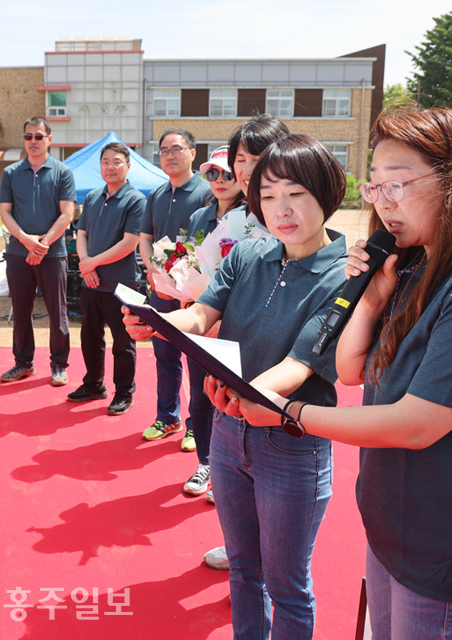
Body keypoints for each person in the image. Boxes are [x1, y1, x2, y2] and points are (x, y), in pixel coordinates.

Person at [230, 108, 452, 640]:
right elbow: (352, 370)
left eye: (397, 185)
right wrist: (372, 295)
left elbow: (414, 425)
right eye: (374, 186)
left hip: (448, 545)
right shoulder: (414, 265)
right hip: (393, 528)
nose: (382, 202)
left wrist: (288, 413)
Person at [125, 134, 349, 639]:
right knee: (245, 569)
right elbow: (203, 311)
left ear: (327, 193)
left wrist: (249, 396)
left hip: (291, 445)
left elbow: (303, 361)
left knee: (288, 584)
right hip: (228, 435)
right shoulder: (249, 253)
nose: (281, 210)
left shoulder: (346, 274)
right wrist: (159, 324)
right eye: (267, 196)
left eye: (295, 194)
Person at [201, 114, 290, 571]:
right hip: (227, 360)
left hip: (282, 389)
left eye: (259, 158)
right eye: (241, 159)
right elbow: (206, 298)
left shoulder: (294, 224)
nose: (248, 168)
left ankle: (266, 562)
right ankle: (240, 550)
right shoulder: (235, 222)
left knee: (282, 534)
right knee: (232, 467)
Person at [138, 129, 211, 447]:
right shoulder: (156, 194)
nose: (169, 155)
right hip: (160, 289)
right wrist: (153, 274)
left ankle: (198, 424)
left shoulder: (208, 192)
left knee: (197, 362)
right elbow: (145, 238)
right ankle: (167, 417)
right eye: (164, 150)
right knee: (164, 356)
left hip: (193, 295)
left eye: (176, 149)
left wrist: (187, 287)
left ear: (193, 153)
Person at [180, 145, 245, 498]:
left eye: (226, 173)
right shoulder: (197, 218)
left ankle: (230, 470)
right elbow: (185, 267)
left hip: (239, 324)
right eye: (212, 174)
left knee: (234, 396)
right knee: (201, 396)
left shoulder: (255, 219)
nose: (219, 180)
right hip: (201, 321)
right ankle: (205, 462)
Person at [68, 142, 145, 415]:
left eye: (116, 162)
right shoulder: (92, 197)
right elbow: (82, 234)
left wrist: (92, 263)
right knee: (89, 337)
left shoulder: (136, 199)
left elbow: (130, 242)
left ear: (128, 166)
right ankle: (93, 384)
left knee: (123, 342)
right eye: (105, 162)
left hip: (120, 283)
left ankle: (124, 392)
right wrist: (86, 267)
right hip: (91, 281)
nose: (110, 167)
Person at [0, 116, 76, 386]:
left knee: (58, 311)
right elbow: (5, 213)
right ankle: (23, 363)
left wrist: (42, 245)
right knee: (21, 311)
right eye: (28, 136)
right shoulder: (10, 173)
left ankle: (59, 365)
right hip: (19, 254)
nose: (33, 141)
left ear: (49, 140)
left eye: (39, 136)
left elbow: (67, 214)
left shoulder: (62, 172)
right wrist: (24, 240)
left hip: (52, 254)